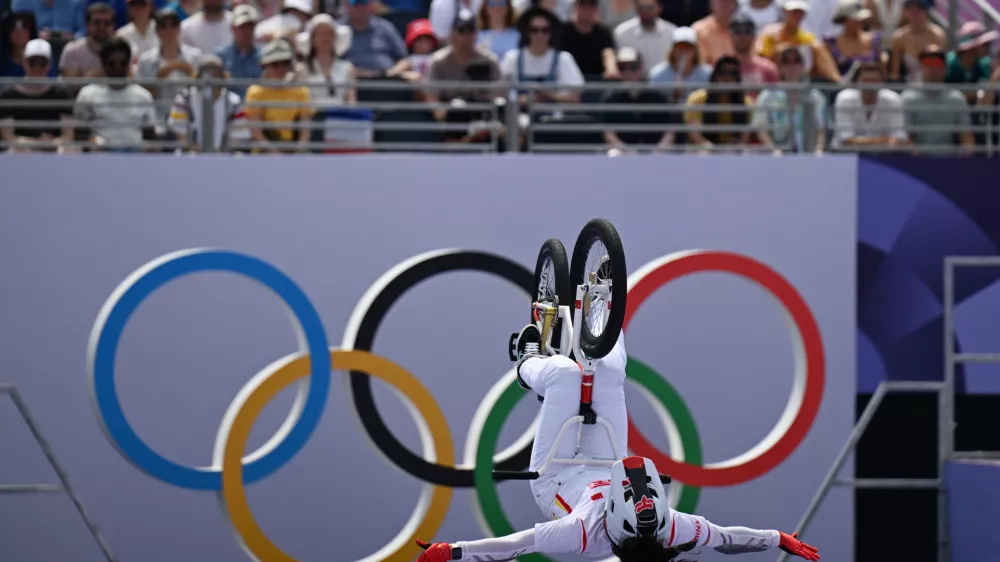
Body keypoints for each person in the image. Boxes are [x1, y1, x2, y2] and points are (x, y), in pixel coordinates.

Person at [413, 324, 822, 561]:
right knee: (610, 369)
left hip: (555, 477)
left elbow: (515, 546)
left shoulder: (580, 533)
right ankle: (602, 313)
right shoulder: (671, 528)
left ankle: (526, 362)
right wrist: (777, 538)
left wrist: (453, 551)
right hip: (607, 459)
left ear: (611, 513)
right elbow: (726, 539)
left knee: (563, 375)